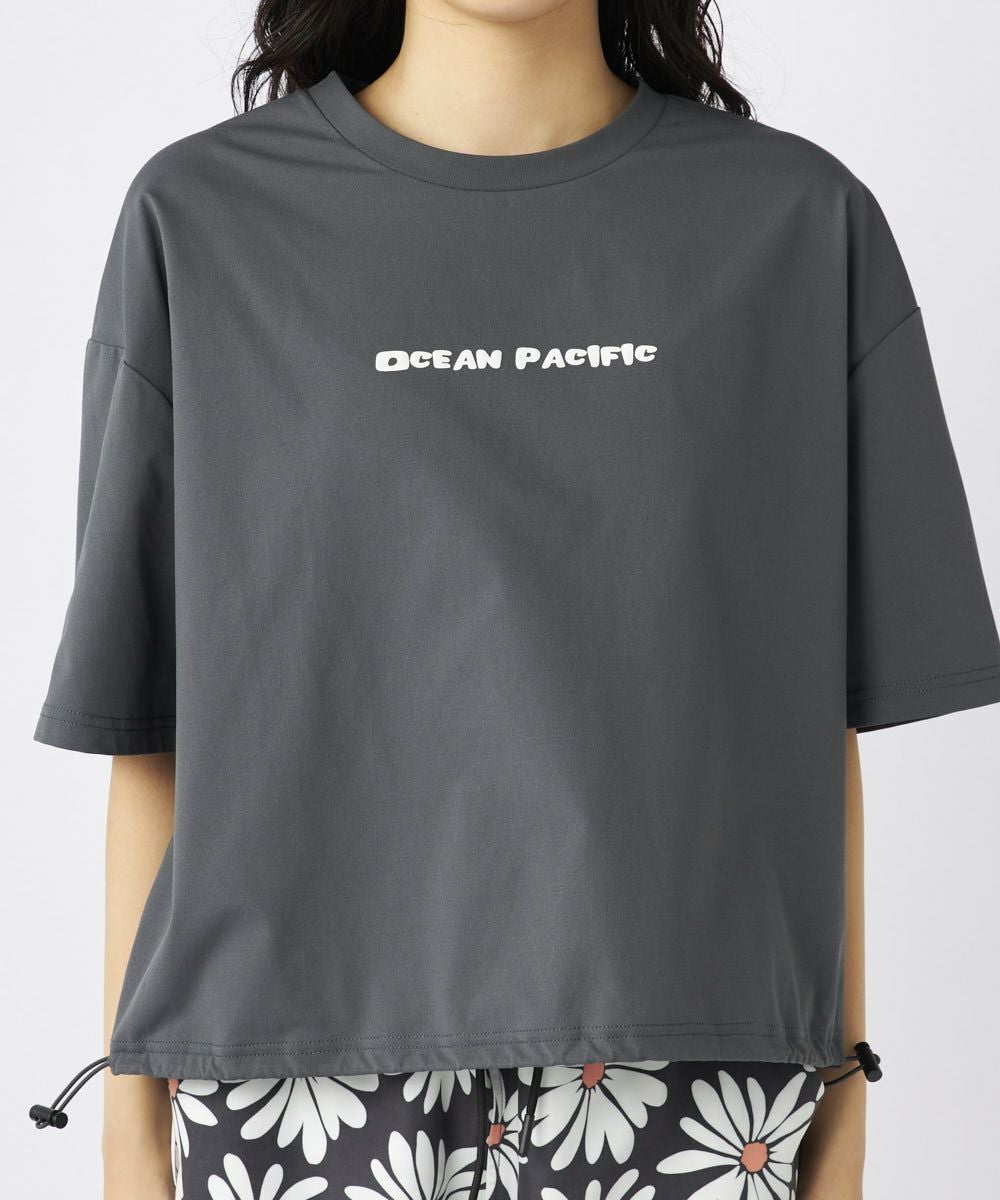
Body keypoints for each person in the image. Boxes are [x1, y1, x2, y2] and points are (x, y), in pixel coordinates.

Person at [28, 1, 1000, 1198]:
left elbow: (807, 711)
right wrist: (129, 1124)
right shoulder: (204, 218)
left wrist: (841, 1092)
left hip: (698, 1072)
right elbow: (149, 715)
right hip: (286, 1069)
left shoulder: (796, 222)